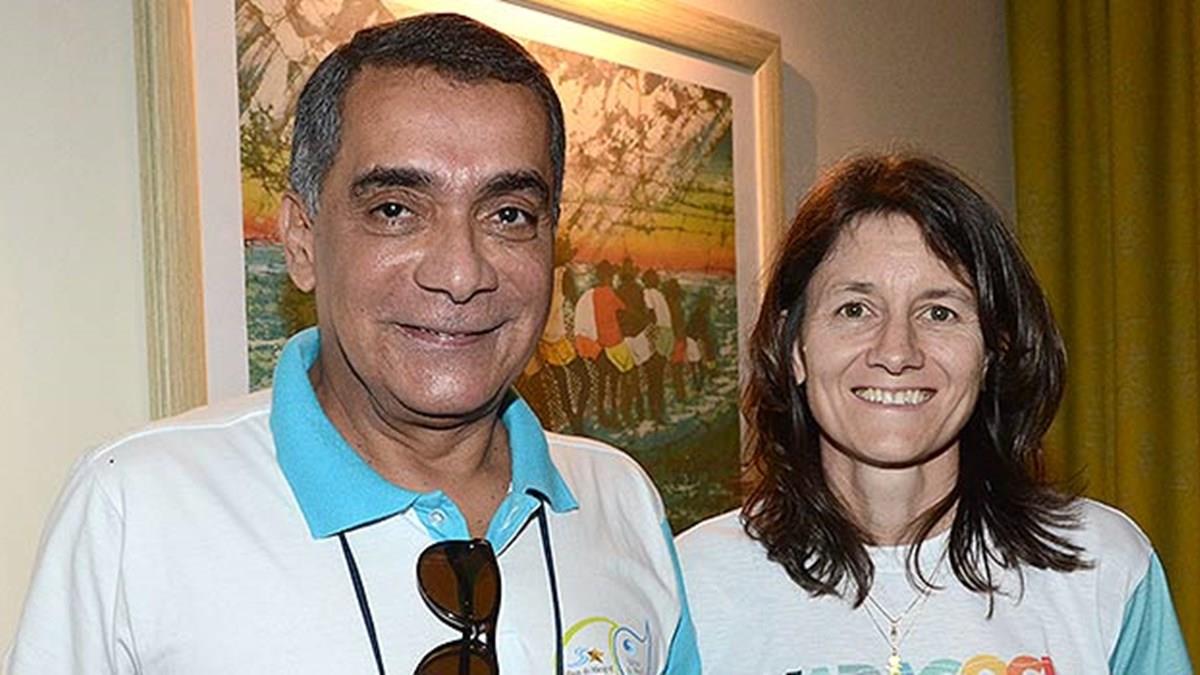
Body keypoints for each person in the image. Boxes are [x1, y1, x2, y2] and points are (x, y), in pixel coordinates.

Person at [7, 14, 698, 675]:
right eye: (395, 210)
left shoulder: (619, 500)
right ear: (302, 240)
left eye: (509, 214)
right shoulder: (137, 507)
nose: (461, 274)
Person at [677, 153, 1190, 674]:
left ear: (992, 351)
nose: (896, 352)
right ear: (794, 348)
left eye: (939, 312)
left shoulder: (1103, 568)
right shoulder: (692, 588)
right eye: (855, 309)